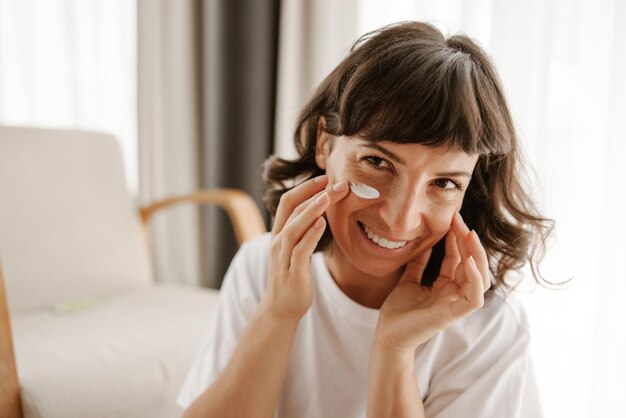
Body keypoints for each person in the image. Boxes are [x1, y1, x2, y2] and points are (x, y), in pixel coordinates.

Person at [177, 21, 552, 418]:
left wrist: (395, 350)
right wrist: (278, 312)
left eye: (443, 183)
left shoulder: (487, 327)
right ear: (325, 142)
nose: (400, 219)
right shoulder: (260, 268)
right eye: (377, 162)